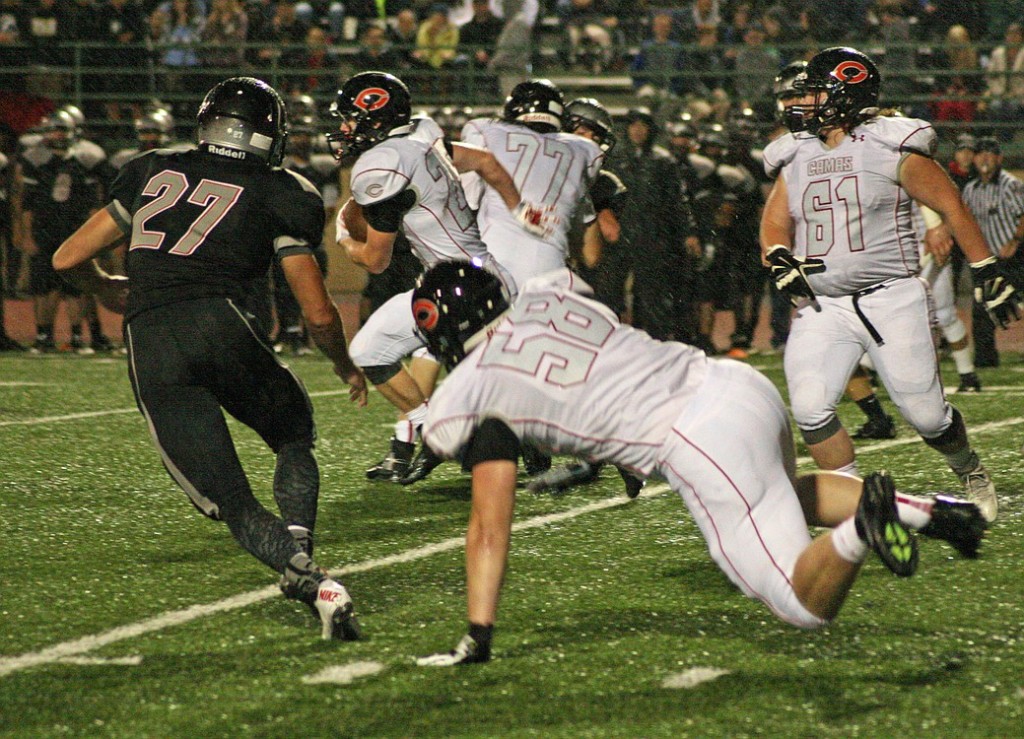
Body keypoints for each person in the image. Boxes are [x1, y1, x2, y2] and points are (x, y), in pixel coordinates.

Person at [409, 260, 986, 665]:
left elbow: (489, 526)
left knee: (800, 604)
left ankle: (862, 530)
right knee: (778, 491)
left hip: (697, 437)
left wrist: (478, 632)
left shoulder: (470, 392)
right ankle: (928, 514)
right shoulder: (548, 291)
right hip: (733, 384)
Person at [51, 76, 368, 641]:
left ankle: (312, 581)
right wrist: (344, 366)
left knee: (236, 506)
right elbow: (318, 314)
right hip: (220, 323)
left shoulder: (152, 168)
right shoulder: (283, 189)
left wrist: (105, 289)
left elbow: (67, 256)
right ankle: (300, 543)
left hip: (150, 339)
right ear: (266, 134)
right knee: (292, 434)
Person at [760, 47, 1021, 523]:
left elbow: (951, 205)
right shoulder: (796, 155)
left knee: (927, 418)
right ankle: (862, 508)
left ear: (844, 93)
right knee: (811, 408)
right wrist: (778, 254)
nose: (803, 103)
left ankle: (969, 468)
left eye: (815, 92)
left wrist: (985, 266)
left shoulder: (889, 146)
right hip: (824, 306)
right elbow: (775, 221)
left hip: (891, 298)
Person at [329, 71, 544, 484]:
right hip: (469, 275)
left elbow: (375, 259)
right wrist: (520, 209)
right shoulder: (422, 136)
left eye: (350, 119)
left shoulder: (382, 165)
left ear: (374, 119)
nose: (343, 129)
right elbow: (486, 164)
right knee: (372, 349)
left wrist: (343, 239)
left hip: (463, 287)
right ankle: (434, 430)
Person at [960, 136, 1024, 370]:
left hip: (1016, 256)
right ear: (974, 159)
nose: (985, 158)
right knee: (982, 310)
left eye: (990, 153)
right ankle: (986, 361)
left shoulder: (1011, 184)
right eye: (980, 153)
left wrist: (1015, 240)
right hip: (989, 260)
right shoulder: (971, 189)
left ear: (999, 158)